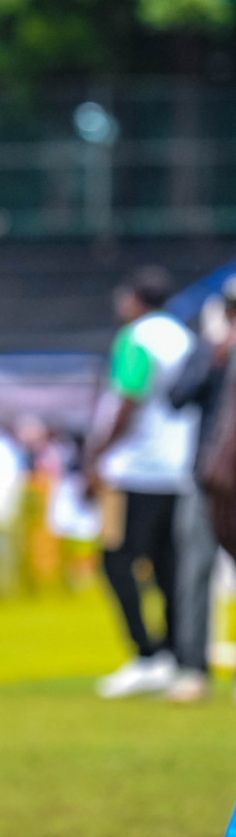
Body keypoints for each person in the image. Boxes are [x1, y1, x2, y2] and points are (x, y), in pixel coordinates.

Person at [84, 266, 198, 699]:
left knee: (116, 558)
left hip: (133, 470)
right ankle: (172, 652)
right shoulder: (183, 338)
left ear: (133, 299)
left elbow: (129, 397)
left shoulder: (137, 337)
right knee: (167, 563)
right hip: (177, 469)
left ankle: (146, 655)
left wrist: (97, 452)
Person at [161, 277, 236, 701]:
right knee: (195, 570)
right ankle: (193, 667)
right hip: (206, 477)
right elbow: (176, 397)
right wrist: (213, 360)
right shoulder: (210, 352)